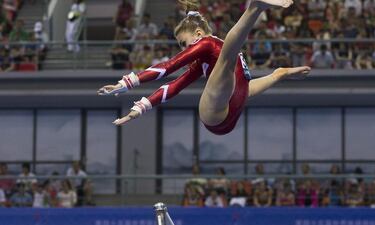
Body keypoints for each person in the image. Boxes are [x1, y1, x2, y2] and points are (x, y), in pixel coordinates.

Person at [98, 0, 310, 136]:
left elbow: (169, 68)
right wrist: (138, 104)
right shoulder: (209, 55)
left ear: (198, 34)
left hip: (236, 100)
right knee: (228, 59)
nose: (183, 49)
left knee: (233, 66)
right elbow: (174, 84)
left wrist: (130, 86)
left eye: (183, 43)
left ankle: (278, 73)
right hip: (215, 114)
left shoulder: (207, 46)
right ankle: (255, 8)